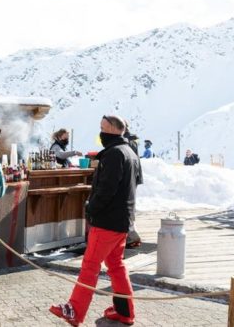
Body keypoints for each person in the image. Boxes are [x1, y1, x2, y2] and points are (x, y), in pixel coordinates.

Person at [50, 115, 140, 326]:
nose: (100, 133)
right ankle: (125, 311)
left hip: (107, 221)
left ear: (112, 130)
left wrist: (91, 208)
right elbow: (136, 184)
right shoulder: (130, 153)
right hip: (122, 220)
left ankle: (75, 310)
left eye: (102, 128)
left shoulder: (114, 154)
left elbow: (106, 190)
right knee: (116, 265)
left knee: (90, 265)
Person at [123, 126, 143, 249]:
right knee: (130, 205)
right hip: (134, 176)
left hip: (129, 177)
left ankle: (131, 236)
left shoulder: (126, 141)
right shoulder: (133, 140)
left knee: (126, 206)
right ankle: (130, 235)